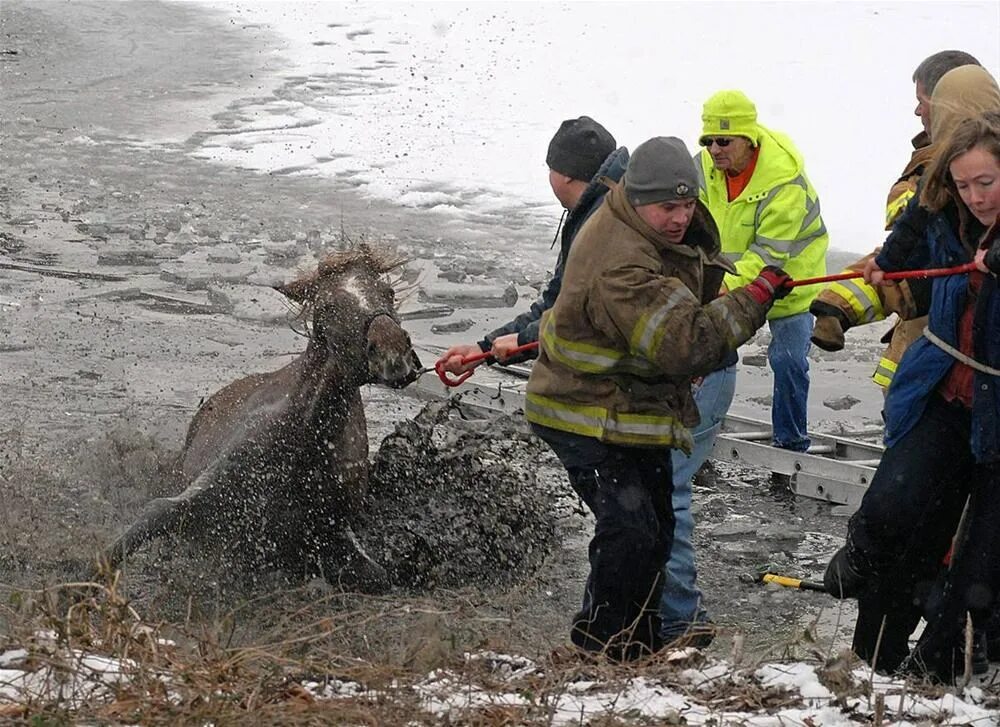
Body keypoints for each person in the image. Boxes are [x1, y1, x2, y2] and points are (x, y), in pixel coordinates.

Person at [437, 117, 723, 647]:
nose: (681, 217)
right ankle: (641, 635)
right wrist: (487, 346)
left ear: (577, 180)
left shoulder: (612, 219)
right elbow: (568, 308)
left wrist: (504, 341)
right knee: (641, 526)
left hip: (635, 388)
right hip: (631, 389)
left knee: (645, 523)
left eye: (560, 188)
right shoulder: (622, 208)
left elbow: (568, 306)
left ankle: (648, 633)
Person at [524, 136, 792, 660]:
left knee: (657, 528)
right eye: (668, 207)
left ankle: (639, 645)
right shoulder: (620, 260)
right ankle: (602, 650)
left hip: (629, 405)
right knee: (629, 528)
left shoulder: (653, 226)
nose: (680, 217)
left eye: (688, 204)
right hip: (581, 409)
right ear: (638, 198)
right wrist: (752, 300)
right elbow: (683, 344)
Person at [824, 69, 1000, 676]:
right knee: (899, 521)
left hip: (996, 411)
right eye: (965, 184)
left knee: (980, 565)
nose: (977, 195)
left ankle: (939, 671)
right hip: (944, 393)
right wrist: (860, 293)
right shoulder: (939, 205)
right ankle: (870, 661)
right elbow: (905, 264)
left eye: (987, 182)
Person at [810, 51, 982, 392]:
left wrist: (838, 304)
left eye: (923, 101)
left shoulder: (944, 170)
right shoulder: (935, 158)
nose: (918, 111)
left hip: (940, 362)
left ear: (946, 103)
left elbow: (908, 259)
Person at [695, 90, 828, 452]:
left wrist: (720, 286)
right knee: (698, 350)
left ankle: (791, 444)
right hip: (728, 281)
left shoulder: (784, 182)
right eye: (708, 141)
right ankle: (695, 425)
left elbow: (769, 255)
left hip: (789, 283)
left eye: (724, 141)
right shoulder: (703, 168)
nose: (714, 150)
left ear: (748, 139)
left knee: (787, 361)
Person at [438, 116, 625, 370]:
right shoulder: (591, 211)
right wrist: (483, 350)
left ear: (567, 175)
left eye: (551, 167)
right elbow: (556, 302)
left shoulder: (605, 224)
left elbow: (583, 317)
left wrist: (523, 340)